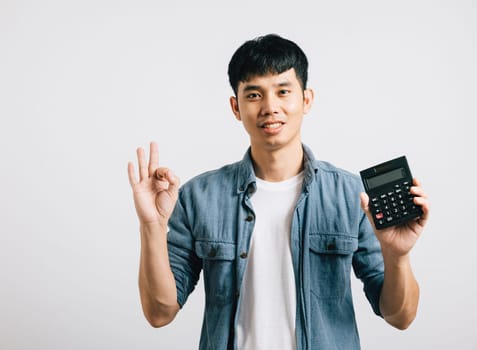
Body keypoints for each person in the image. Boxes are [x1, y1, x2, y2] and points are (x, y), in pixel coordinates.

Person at [127, 34, 429, 350]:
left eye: (283, 91)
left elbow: (400, 316)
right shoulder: (198, 197)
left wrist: (398, 255)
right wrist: (152, 226)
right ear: (235, 106)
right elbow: (160, 313)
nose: (270, 107)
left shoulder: (352, 196)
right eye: (254, 94)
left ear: (306, 99)